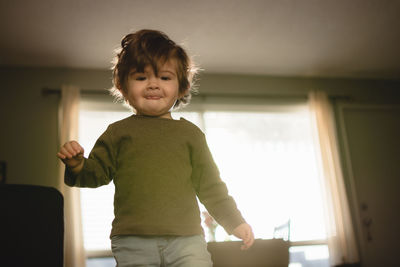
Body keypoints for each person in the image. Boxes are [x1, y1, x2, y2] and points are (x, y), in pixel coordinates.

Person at [57, 29, 254, 267]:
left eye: (165, 77)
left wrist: (235, 222)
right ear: (122, 87)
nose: (153, 84)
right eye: (141, 78)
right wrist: (78, 165)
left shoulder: (190, 135)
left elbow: (211, 187)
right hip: (133, 241)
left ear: (181, 87)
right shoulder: (117, 133)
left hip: (187, 240)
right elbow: (96, 174)